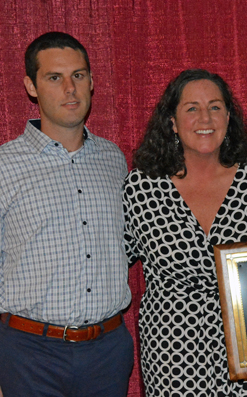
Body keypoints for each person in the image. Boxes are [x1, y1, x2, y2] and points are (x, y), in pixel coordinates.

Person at [123, 69, 247, 396]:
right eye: (191, 108)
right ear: (172, 122)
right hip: (171, 350)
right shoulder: (142, 187)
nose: (205, 117)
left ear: (229, 117)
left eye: (215, 107)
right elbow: (112, 257)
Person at [0, 32, 133, 396]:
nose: (70, 89)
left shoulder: (115, 161)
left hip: (107, 351)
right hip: (28, 354)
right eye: (54, 78)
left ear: (91, 81)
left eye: (78, 75)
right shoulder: (3, 166)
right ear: (31, 85)